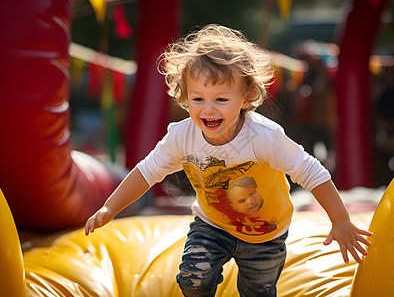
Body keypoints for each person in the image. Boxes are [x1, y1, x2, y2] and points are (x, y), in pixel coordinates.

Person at [85, 24, 372, 297]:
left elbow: (312, 172)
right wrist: (111, 207)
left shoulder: (264, 137)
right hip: (213, 224)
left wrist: (340, 220)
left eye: (221, 99)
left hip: (266, 233)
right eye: (198, 99)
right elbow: (146, 172)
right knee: (193, 279)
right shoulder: (182, 137)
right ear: (185, 97)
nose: (208, 109)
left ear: (246, 97)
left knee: (257, 291)